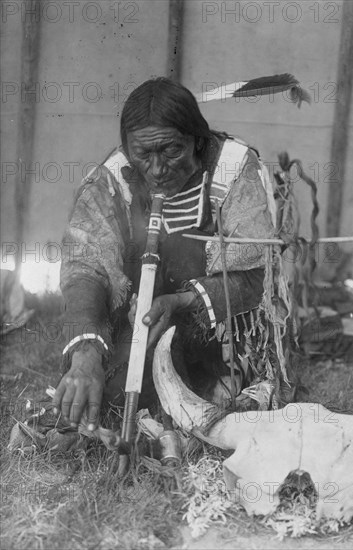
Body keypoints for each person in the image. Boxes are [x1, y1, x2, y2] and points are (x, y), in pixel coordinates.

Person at [53, 77, 294, 431]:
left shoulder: (232, 167)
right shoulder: (112, 178)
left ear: (197, 140)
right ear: (126, 148)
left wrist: (182, 301)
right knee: (113, 394)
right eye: (143, 154)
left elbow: (257, 276)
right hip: (143, 318)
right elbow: (86, 267)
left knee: (207, 400)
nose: (157, 169)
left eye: (171, 150)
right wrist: (86, 351)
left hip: (220, 324)